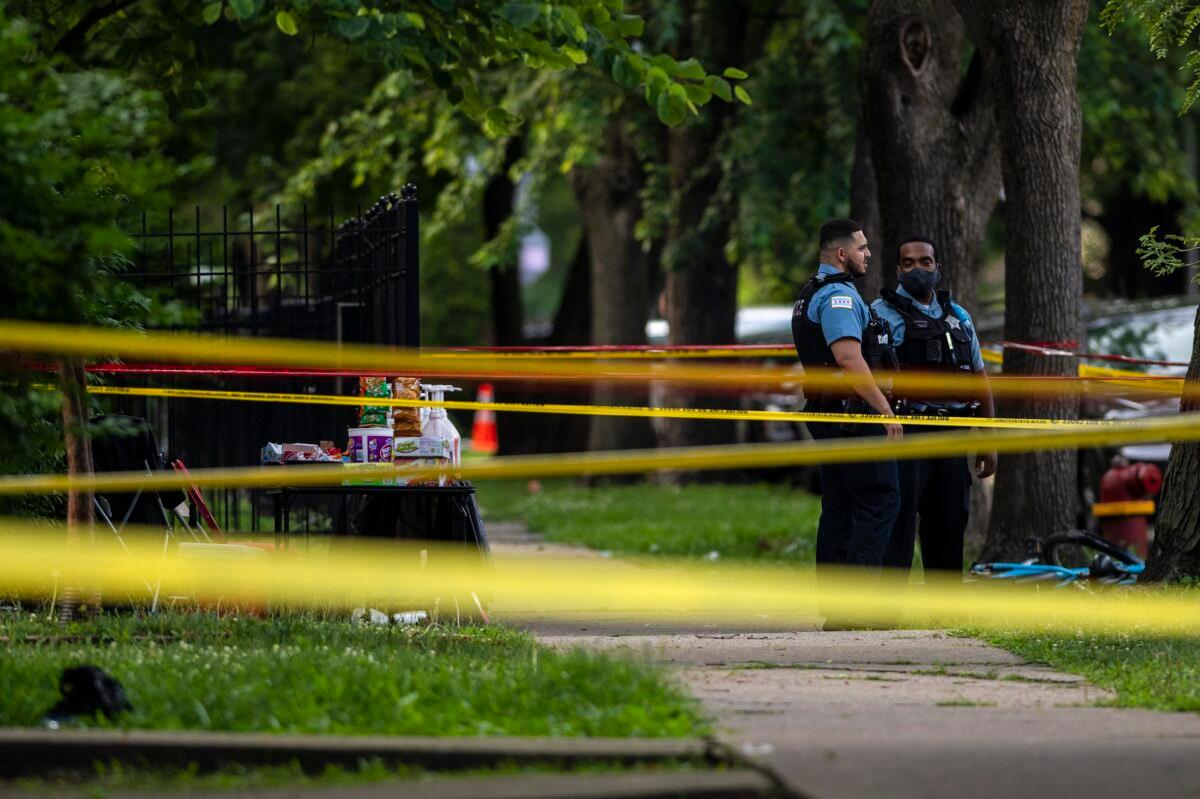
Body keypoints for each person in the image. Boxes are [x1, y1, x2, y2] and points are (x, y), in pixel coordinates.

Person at [870, 236, 997, 576]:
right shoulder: (879, 315)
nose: (917, 269)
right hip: (904, 433)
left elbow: (980, 379)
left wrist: (989, 437)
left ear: (937, 268)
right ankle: (886, 612)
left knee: (950, 521)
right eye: (908, 263)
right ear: (898, 270)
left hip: (953, 434)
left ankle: (945, 610)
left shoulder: (958, 316)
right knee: (897, 522)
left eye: (925, 261)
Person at [791, 219, 902, 590]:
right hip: (850, 416)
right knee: (880, 499)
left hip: (832, 414)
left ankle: (837, 606)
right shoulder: (839, 297)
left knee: (838, 506)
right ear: (842, 254)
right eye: (862, 248)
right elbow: (849, 359)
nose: (868, 254)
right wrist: (886, 414)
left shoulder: (812, 291)